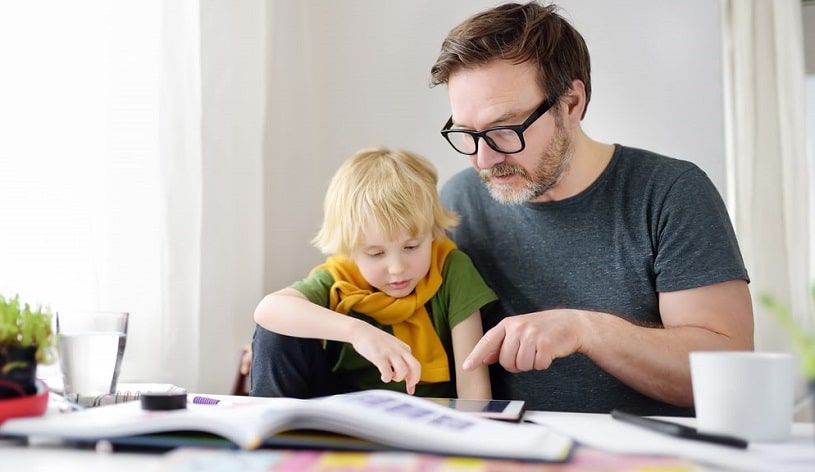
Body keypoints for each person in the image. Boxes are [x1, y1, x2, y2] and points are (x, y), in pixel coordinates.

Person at [427, 1, 753, 416]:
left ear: (571, 103)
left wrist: (586, 330)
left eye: (503, 130)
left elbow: (731, 373)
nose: (483, 160)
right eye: (467, 133)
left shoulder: (670, 193)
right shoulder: (458, 204)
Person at [250, 147, 497, 399]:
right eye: (376, 254)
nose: (397, 267)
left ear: (431, 233)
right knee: (275, 331)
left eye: (411, 247)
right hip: (341, 413)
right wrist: (357, 332)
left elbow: (473, 387)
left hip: (427, 419)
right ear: (351, 251)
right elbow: (268, 309)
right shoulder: (341, 277)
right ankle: (273, 431)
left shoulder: (450, 267)